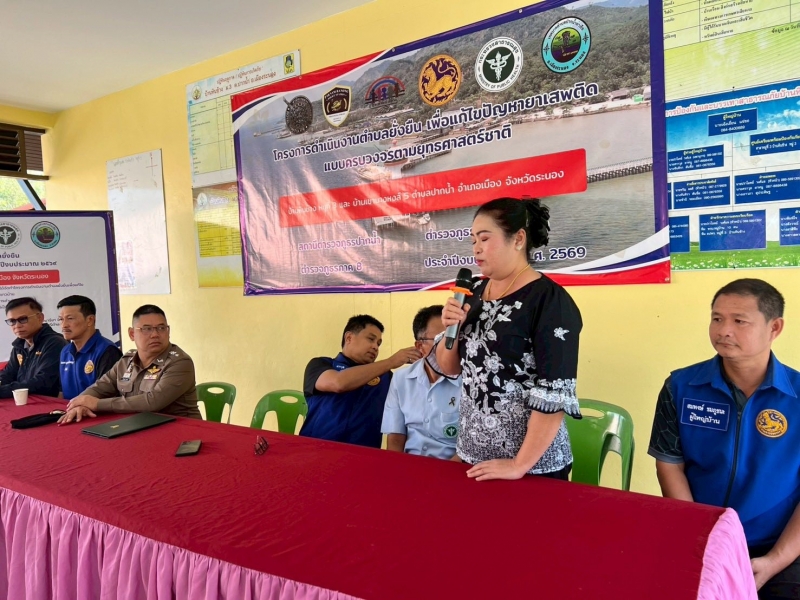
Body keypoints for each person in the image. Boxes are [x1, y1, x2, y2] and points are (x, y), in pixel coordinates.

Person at [648, 279, 800, 598]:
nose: (724, 330)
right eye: (717, 318)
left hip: (779, 546)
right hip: (699, 538)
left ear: (774, 328)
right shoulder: (681, 387)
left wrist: (774, 561)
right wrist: (697, 536)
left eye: (739, 321)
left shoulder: (796, 396)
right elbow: (670, 465)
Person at [435, 197, 583, 481]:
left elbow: (554, 393)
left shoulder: (550, 301)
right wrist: (450, 328)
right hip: (474, 455)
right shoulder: (473, 292)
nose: (476, 248)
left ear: (518, 239)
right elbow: (449, 367)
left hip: (531, 468)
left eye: (484, 238)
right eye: (473, 240)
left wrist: (518, 465)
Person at [58, 304, 201, 423]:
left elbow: (153, 402)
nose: (155, 334)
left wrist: (96, 404)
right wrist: (81, 403)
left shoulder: (180, 362)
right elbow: (100, 387)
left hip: (181, 429)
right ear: (132, 334)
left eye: (161, 328)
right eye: (147, 329)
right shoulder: (127, 361)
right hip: (140, 425)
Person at [300, 314, 422, 448]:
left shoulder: (386, 377)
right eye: (371, 339)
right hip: (317, 450)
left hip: (364, 456)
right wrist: (391, 361)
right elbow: (338, 383)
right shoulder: (321, 364)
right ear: (349, 338)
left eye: (378, 343)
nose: (375, 347)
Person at [381, 305, 462, 459]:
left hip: (452, 467)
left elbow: (471, 448)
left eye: (454, 338)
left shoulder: (470, 382)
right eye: (442, 339)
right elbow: (395, 439)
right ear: (420, 346)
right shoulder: (401, 379)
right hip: (410, 465)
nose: (451, 346)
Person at [57, 295, 123, 400]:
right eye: (61, 319)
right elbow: (62, 392)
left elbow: (107, 395)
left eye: (70, 319)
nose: (64, 325)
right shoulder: (65, 351)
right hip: (69, 409)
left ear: (90, 320)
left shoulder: (107, 351)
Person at [0, 297, 67, 399]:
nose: (17, 325)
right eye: (12, 321)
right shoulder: (19, 345)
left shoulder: (55, 342)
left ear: (40, 318)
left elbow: (43, 382)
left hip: (47, 403)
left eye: (23, 319)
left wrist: (4, 391)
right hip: (25, 401)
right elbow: (8, 374)